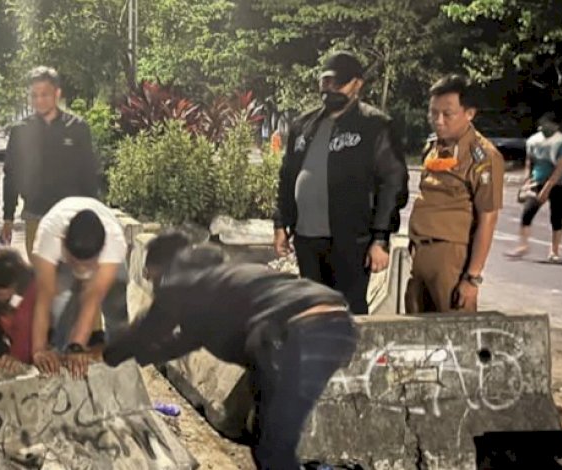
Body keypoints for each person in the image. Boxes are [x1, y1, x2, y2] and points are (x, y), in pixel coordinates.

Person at [103, 243, 357, 470]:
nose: (148, 279)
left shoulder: (184, 285)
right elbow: (182, 342)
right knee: (266, 435)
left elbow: (149, 328)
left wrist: (106, 356)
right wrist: (134, 357)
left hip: (299, 333)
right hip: (335, 326)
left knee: (271, 443)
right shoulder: (226, 289)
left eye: (152, 272)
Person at [273, 51, 409, 315]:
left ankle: (352, 357)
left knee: (349, 309)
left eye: (338, 82)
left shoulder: (375, 126)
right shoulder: (303, 125)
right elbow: (287, 176)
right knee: (311, 308)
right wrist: (281, 223)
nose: (330, 88)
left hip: (351, 240)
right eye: (325, 82)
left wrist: (380, 238)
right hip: (307, 239)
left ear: (357, 84)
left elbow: (393, 182)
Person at [406, 74, 505, 313]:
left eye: (447, 114)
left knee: (452, 340)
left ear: (469, 113)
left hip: (452, 260)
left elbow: (487, 219)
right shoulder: (432, 147)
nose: (438, 121)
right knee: (417, 341)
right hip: (420, 255)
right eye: (433, 113)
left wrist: (472, 278)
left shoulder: (483, 157)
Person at [1, 66, 101, 254]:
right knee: (41, 276)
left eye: (44, 94)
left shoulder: (77, 128)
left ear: (57, 94)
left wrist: (94, 214)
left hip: (71, 218)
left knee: (71, 277)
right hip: (35, 216)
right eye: (34, 95)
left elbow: (89, 174)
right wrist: (8, 218)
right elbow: (11, 175)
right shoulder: (20, 131)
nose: (39, 100)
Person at [30, 197, 129, 378]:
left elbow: (92, 299)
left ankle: (121, 365)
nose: (82, 272)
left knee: (117, 308)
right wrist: (38, 350)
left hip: (105, 251)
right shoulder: (48, 238)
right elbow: (44, 298)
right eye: (76, 264)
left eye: (87, 266)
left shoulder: (114, 244)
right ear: (63, 245)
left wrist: (76, 346)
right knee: (60, 310)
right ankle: (58, 365)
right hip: (60, 244)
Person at [507, 112, 562, 262]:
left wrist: (547, 189)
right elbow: (529, 162)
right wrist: (526, 182)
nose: (543, 127)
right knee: (527, 213)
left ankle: (554, 251)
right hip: (537, 181)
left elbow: (560, 168)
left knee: (556, 217)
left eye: (548, 124)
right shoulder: (533, 141)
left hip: (559, 184)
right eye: (542, 124)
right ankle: (523, 246)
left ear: (556, 126)